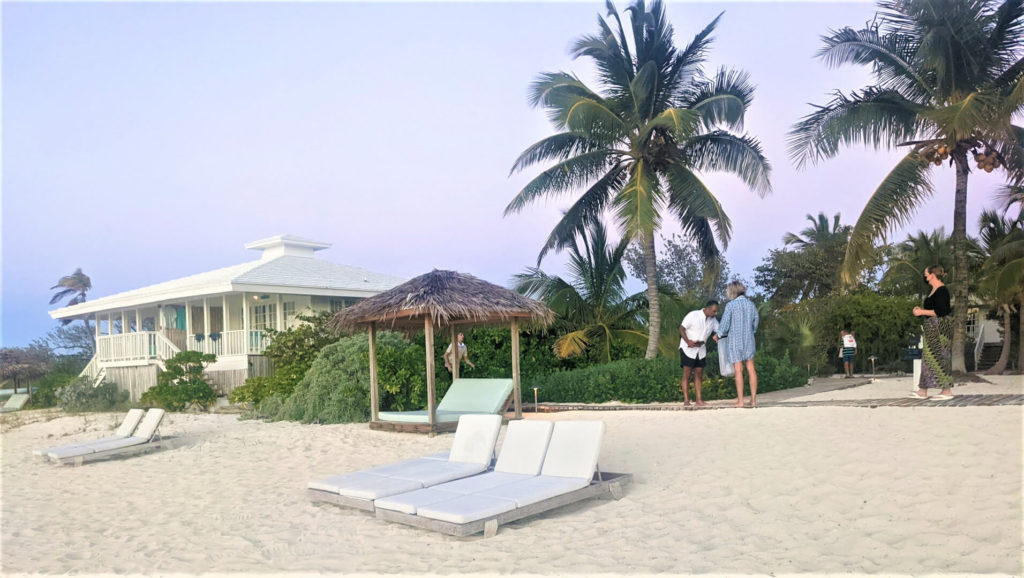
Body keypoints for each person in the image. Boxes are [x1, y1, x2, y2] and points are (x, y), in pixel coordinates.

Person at [910, 265, 954, 400]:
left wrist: (921, 312)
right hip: (931, 327)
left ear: (932, 275)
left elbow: (941, 311)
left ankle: (945, 390)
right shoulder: (934, 290)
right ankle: (924, 390)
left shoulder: (942, 290)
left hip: (939, 328)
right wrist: (922, 310)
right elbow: (933, 309)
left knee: (940, 356)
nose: (925, 277)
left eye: (926, 274)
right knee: (930, 358)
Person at [717, 281, 760, 407]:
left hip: (735, 341)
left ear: (732, 291)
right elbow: (755, 322)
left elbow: (724, 324)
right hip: (749, 340)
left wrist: (718, 334)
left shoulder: (731, 305)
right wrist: (752, 331)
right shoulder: (751, 305)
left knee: (738, 369)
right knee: (751, 368)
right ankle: (753, 400)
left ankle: (740, 401)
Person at [679, 300, 719, 407]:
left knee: (699, 374)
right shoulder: (693, 315)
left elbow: (720, 330)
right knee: (687, 374)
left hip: (701, 349)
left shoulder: (713, 320)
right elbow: (681, 328)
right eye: (714, 311)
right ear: (708, 308)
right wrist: (688, 341)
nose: (715, 314)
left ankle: (699, 400)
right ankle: (686, 400)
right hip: (688, 348)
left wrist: (718, 336)